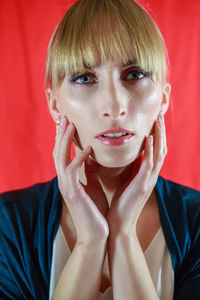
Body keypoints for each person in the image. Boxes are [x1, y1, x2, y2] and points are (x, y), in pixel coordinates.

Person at [0, 0, 200, 299]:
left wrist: (123, 234)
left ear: (163, 98)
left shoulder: (195, 222)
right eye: (84, 78)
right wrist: (90, 242)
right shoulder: (7, 225)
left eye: (134, 74)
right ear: (55, 104)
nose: (114, 106)